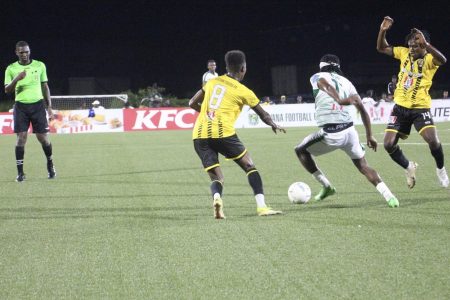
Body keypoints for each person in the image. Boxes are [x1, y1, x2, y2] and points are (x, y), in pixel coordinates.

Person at [189, 50, 286, 219]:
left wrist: (208, 114)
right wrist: (273, 124)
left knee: (217, 177)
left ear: (226, 67)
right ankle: (262, 207)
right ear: (243, 68)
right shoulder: (244, 91)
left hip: (199, 134)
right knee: (249, 166)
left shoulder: (212, 82)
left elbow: (192, 103)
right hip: (223, 133)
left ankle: (217, 198)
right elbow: (263, 114)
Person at [294, 54, 399, 208]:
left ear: (322, 66)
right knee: (363, 165)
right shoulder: (347, 82)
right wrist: (370, 135)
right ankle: (390, 197)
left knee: (300, 150)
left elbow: (324, 84)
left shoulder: (318, 76)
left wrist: (338, 99)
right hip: (350, 132)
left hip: (331, 133)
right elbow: (362, 109)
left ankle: (327, 186)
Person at [377, 16, 449, 188]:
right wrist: (382, 31)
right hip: (400, 107)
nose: (411, 48)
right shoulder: (403, 53)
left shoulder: (430, 60)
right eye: (410, 45)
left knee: (432, 140)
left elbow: (443, 60)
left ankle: (441, 170)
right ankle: (409, 167)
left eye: (416, 46)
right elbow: (381, 47)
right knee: (388, 144)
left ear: (424, 45)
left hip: (420, 107)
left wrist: (427, 46)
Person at [4, 41, 56, 182]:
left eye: (26, 51)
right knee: (21, 138)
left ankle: (50, 164)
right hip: (20, 107)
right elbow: (7, 90)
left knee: (43, 139)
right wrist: (17, 78)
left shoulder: (40, 65)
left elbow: (45, 87)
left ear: (29, 51)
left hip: (38, 106)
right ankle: (20, 173)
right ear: (16, 52)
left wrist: (49, 107)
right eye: (21, 52)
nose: (24, 54)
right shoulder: (11, 69)